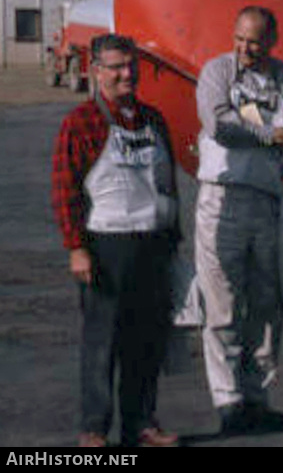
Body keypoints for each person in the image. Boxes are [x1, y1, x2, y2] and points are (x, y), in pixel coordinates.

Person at [51, 33, 180, 447]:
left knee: (146, 340)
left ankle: (141, 423)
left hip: (152, 244)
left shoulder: (153, 120)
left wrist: (174, 240)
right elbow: (64, 190)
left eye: (132, 66)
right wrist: (76, 248)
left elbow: (167, 184)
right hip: (106, 247)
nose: (127, 74)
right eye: (116, 67)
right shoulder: (81, 123)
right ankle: (94, 428)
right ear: (96, 71)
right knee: (102, 341)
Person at [195, 6, 283, 434]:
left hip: (272, 201)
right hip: (222, 200)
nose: (245, 48)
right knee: (223, 302)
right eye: (240, 38)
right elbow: (220, 125)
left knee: (267, 303)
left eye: (255, 42)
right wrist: (274, 135)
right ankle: (228, 403)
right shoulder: (217, 73)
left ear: (273, 41)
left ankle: (258, 398)